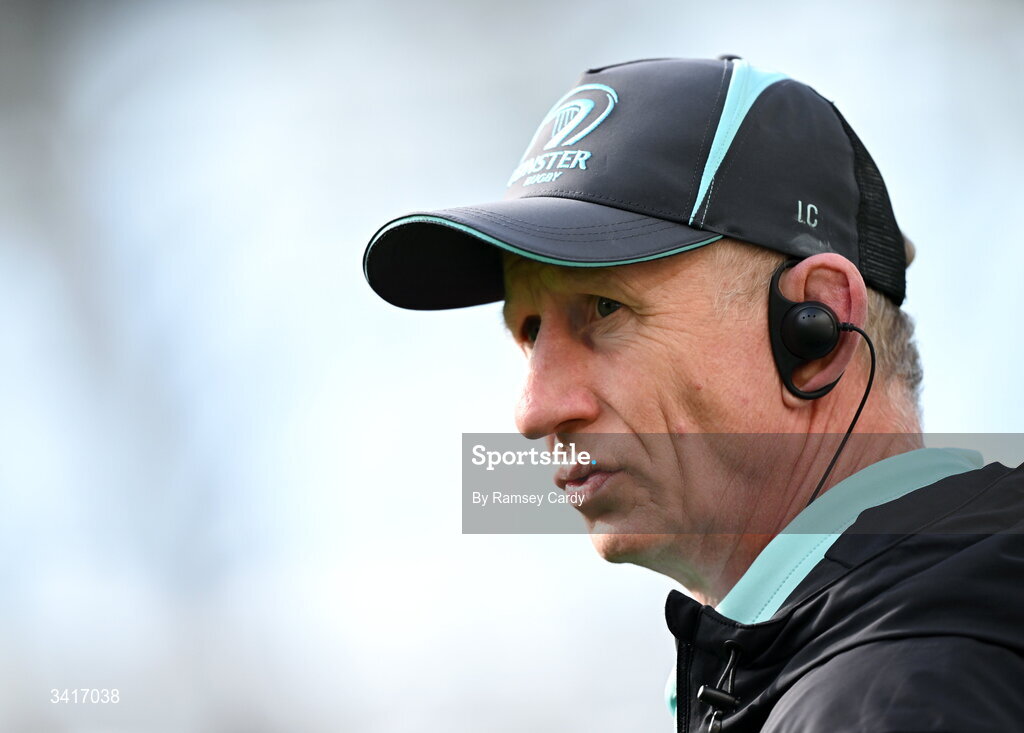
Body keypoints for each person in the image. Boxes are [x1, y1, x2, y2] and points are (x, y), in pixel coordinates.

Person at [362, 57, 1024, 732]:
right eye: (530, 333)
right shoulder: (890, 657)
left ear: (816, 328)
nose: (534, 411)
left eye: (602, 307)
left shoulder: (895, 697)